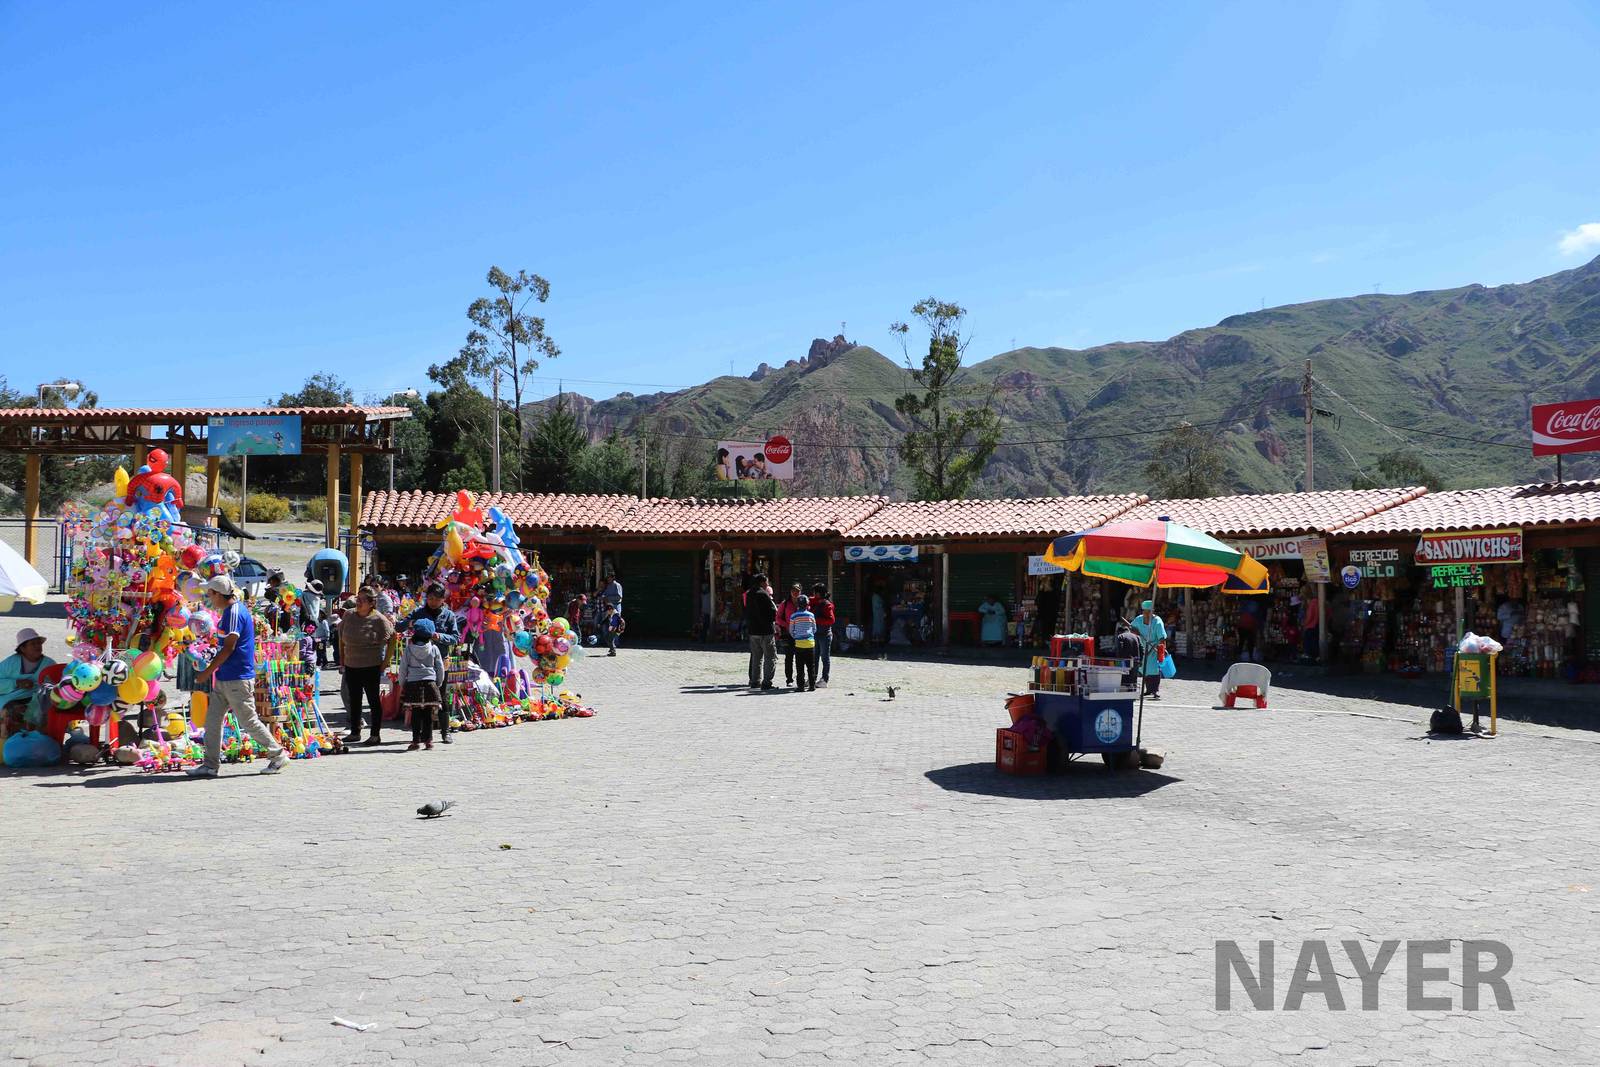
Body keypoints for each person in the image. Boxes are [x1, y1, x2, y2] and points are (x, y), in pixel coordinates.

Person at [187, 576, 290, 777]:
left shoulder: (234, 613)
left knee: (248, 721)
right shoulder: (230, 611)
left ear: (218, 594)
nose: (209, 598)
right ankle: (210, 765)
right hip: (226, 677)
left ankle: (278, 756)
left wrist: (207, 672)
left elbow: (228, 648)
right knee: (212, 721)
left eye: (210, 593)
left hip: (237, 678)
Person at [403, 583, 461, 742]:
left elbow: (456, 638)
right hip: (419, 664)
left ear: (443, 599)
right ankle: (423, 733)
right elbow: (400, 625)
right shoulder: (419, 612)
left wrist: (439, 637)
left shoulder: (449, 615)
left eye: (436, 599)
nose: (432, 602)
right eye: (429, 598)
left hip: (440, 662)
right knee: (420, 700)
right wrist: (406, 623)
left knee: (440, 696)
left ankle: (445, 731)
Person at [339, 586, 397, 745]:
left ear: (372, 603)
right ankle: (355, 732)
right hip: (351, 665)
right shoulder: (349, 615)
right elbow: (340, 637)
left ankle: (375, 734)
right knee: (354, 699)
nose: (358, 602)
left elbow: (393, 638)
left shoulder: (379, 620)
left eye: (362, 600)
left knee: (373, 701)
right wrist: (342, 660)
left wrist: (385, 664)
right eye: (357, 598)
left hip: (371, 666)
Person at [400, 618, 446, 751]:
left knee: (415, 714)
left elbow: (403, 669)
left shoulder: (409, 649)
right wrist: (438, 683)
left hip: (413, 684)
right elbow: (440, 668)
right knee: (428, 714)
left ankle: (415, 741)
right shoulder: (434, 648)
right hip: (430, 683)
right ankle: (429, 741)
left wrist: (403, 684)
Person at [0, 628, 54, 740]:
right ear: (22, 648)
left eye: (38, 643)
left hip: (38, 700)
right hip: (13, 699)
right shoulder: (10, 663)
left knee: (41, 713)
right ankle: (10, 743)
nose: (37, 646)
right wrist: (16, 683)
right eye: (33, 644)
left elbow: (56, 686)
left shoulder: (49, 664)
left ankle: (35, 743)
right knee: (13, 712)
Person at [1128, 599, 1168, 700]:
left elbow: (1162, 638)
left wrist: (1161, 649)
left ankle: (1155, 691)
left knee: (1154, 670)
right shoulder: (1138, 619)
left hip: (1154, 648)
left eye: (1148, 612)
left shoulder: (1157, 622)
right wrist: (1134, 632)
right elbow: (1131, 628)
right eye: (1144, 612)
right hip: (1142, 648)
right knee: (1144, 670)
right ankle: (1148, 690)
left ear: (1152, 611)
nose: (1146, 614)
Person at [745, 574, 778, 690]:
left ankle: (755, 681)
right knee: (770, 657)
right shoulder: (763, 594)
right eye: (767, 582)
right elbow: (773, 611)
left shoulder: (749, 594)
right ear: (762, 582)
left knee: (756, 657)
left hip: (753, 631)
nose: (768, 584)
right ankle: (767, 682)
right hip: (766, 631)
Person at [788, 595, 818, 691]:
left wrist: (796, 637)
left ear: (798, 605)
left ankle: (800, 686)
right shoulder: (811, 615)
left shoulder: (793, 616)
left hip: (799, 644)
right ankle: (812, 686)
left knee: (799, 666)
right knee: (811, 666)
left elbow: (791, 630)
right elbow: (814, 629)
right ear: (807, 604)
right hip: (810, 644)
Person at [776, 583, 803, 686]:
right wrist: (787, 625)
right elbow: (778, 617)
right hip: (788, 634)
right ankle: (789, 679)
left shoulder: (804, 603)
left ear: (800, 592)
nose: (795, 593)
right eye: (793, 590)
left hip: (801, 634)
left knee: (800, 658)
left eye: (797, 590)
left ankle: (800, 678)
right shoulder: (785, 603)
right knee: (789, 658)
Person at [809, 583, 835, 687]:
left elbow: (831, 620)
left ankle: (824, 680)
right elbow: (810, 599)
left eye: (815, 592)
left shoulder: (827, 604)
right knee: (814, 658)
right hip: (816, 634)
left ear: (819, 593)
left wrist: (815, 620)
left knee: (824, 658)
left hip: (825, 635)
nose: (813, 594)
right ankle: (812, 678)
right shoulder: (816, 602)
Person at [1034, 578, 1061, 646]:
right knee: (1046, 630)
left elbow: (1038, 602)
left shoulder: (1048, 593)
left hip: (1047, 615)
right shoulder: (1047, 593)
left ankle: (1046, 642)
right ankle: (1047, 642)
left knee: (1046, 630)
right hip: (1047, 615)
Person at [1235, 597, 1262, 663]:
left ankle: (1241, 655)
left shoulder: (1244, 606)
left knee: (1243, 641)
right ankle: (1249, 656)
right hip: (1248, 625)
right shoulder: (1253, 606)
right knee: (1248, 642)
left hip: (1245, 625)